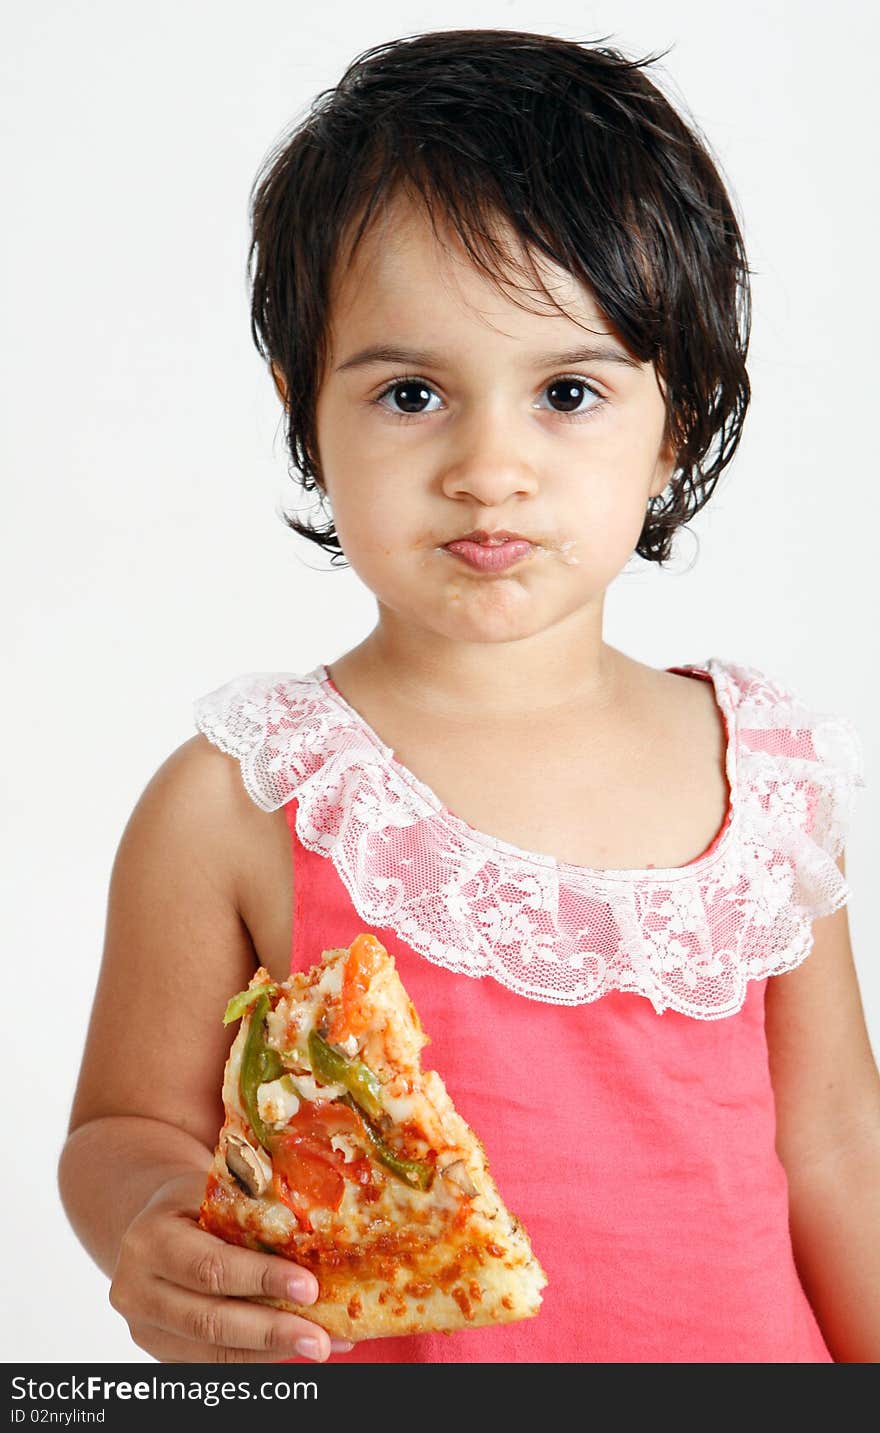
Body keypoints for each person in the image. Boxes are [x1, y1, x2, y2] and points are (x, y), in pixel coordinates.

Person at [58, 29, 879, 1365]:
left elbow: (840, 1143)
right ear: (304, 409)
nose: (489, 466)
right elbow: (123, 1127)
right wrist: (159, 1220)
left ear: (670, 420)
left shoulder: (763, 774)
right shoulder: (240, 794)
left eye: (566, 391)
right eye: (412, 392)